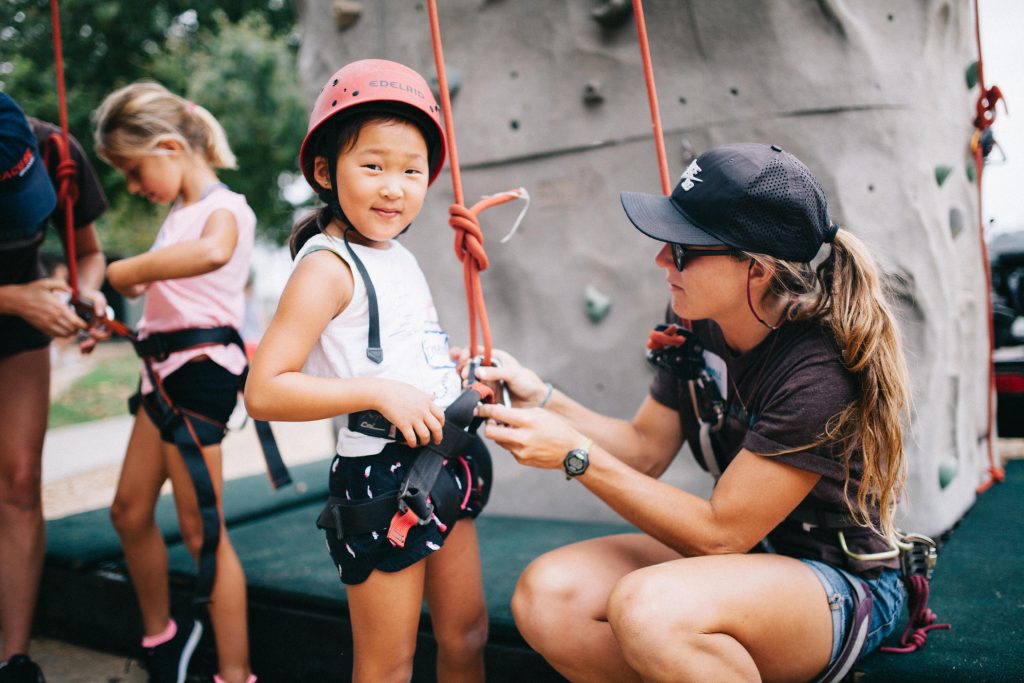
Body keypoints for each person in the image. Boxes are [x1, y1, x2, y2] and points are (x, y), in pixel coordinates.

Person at [475, 143, 910, 682]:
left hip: (842, 585)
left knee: (651, 608)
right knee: (547, 596)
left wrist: (575, 455)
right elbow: (645, 450)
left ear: (757, 269)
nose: (661, 259)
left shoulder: (820, 369)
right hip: (751, 557)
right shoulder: (696, 317)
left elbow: (719, 534)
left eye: (683, 249)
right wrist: (540, 397)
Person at [244, 59, 491, 683]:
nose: (394, 188)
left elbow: (398, 348)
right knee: (387, 665)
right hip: (382, 476)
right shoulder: (326, 267)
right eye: (372, 165)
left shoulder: (397, 254)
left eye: (412, 170)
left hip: (445, 455)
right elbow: (264, 391)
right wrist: (380, 391)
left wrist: (448, 372)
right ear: (326, 171)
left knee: (466, 634)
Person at [93, 82, 257, 683]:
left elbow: (213, 254)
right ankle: (167, 636)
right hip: (159, 376)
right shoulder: (177, 218)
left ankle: (235, 673)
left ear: (167, 146)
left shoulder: (225, 208)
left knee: (201, 532)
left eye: (135, 172)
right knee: (129, 511)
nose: (135, 187)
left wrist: (124, 271)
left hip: (200, 378)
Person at [0, 92, 108, 683]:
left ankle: (14, 656)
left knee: (19, 481)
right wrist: (13, 298)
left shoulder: (53, 148)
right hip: (18, 305)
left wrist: (84, 292)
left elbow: (86, 253)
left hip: (21, 328)